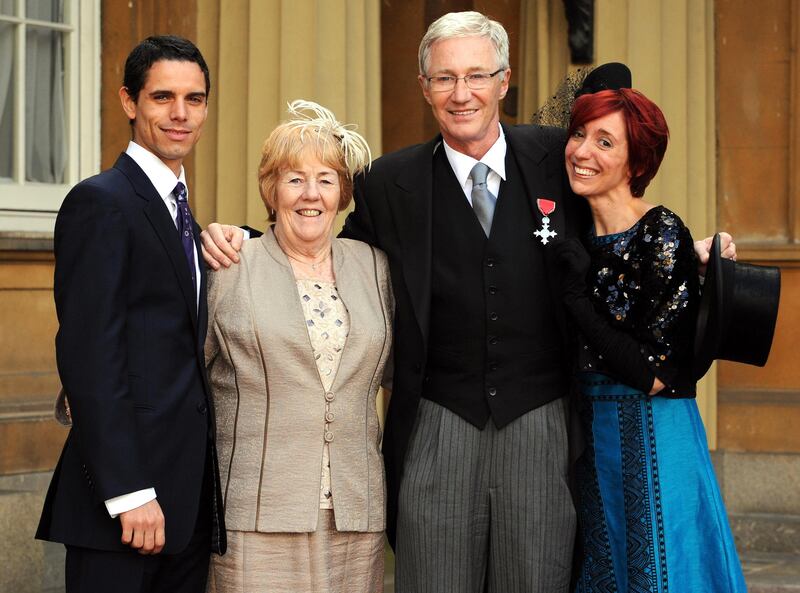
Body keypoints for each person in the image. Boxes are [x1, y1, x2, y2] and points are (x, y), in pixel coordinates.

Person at [199, 15, 736, 593]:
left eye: (477, 75)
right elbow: (323, 248)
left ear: (504, 81)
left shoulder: (559, 154)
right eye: (445, 78)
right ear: (424, 87)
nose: (462, 94)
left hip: (543, 419)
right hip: (437, 420)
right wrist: (247, 241)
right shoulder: (389, 181)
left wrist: (691, 251)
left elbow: (618, 213)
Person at [36, 36, 225, 593]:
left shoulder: (183, 213)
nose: (179, 113)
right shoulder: (102, 201)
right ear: (128, 102)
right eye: (162, 97)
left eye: (194, 99)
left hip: (184, 505)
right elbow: (90, 357)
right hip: (124, 507)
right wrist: (130, 492)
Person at [551, 83, 747, 592]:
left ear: (637, 164)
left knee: (662, 570)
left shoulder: (660, 232)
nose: (583, 151)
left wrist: (576, 299)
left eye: (605, 142)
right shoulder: (576, 239)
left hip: (655, 435)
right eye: (579, 134)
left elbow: (655, 374)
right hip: (593, 440)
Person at [204, 100, 393, 593]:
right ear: (271, 190)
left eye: (326, 179)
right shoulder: (229, 265)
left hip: (356, 512)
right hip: (257, 511)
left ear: (342, 193)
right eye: (294, 179)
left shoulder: (375, 267)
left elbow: (402, 371)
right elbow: (180, 374)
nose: (311, 195)